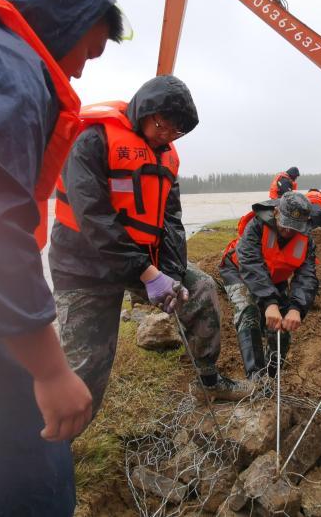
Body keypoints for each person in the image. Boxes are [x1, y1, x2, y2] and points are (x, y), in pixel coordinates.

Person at [0, 0, 123, 514]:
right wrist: (49, 369)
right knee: (24, 472)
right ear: (68, 17)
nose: (82, 71)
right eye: (91, 50)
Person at [49, 75, 252, 414]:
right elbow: (93, 217)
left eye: (177, 131)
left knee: (200, 290)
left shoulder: (167, 157)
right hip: (85, 266)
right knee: (85, 372)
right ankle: (48, 448)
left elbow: (171, 219)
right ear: (145, 109)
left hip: (142, 262)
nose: (167, 135)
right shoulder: (92, 140)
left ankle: (208, 382)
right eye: (162, 124)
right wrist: (146, 272)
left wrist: (168, 274)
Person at [219, 192, 318, 379]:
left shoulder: (307, 241)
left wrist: (296, 308)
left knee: (281, 328)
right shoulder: (256, 225)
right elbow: (251, 264)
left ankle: (271, 377)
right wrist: (269, 303)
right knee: (249, 311)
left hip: (274, 278)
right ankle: (256, 378)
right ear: (276, 212)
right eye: (285, 224)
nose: (288, 231)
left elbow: (307, 276)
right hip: (239, 270)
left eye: (294, 227)